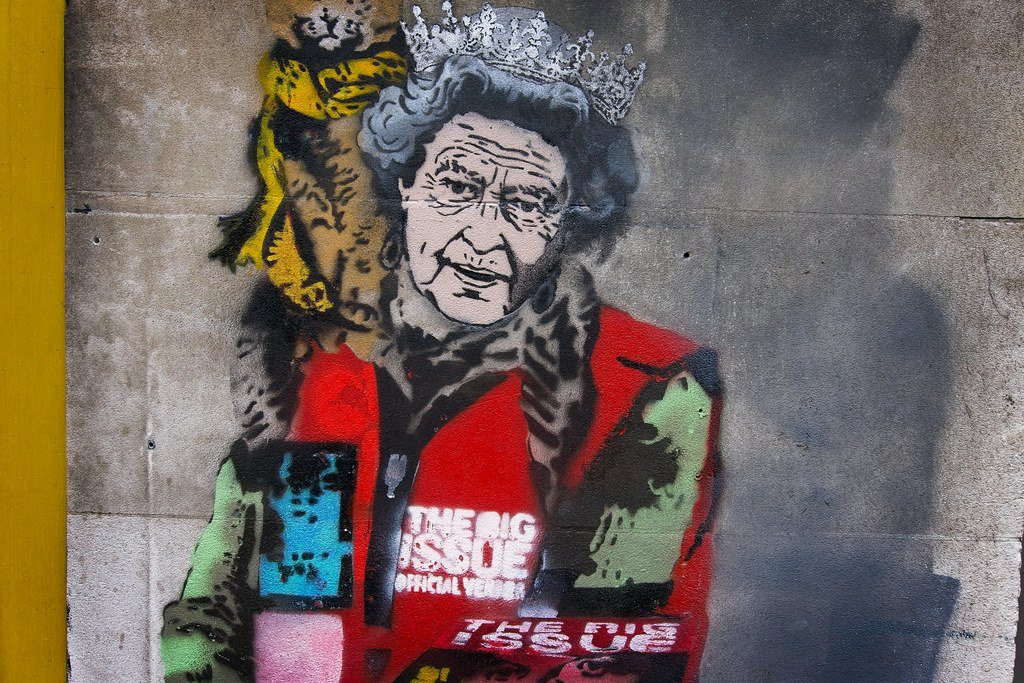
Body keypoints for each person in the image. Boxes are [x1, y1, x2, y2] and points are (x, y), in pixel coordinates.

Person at [161, 5, 721, 682]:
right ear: (404, 187)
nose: (483, 235)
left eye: (527, 203)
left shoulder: (649, 387)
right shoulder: (317, 359)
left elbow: (610, 653)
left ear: (566, 226)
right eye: (457, 185)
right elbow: (216, 617)